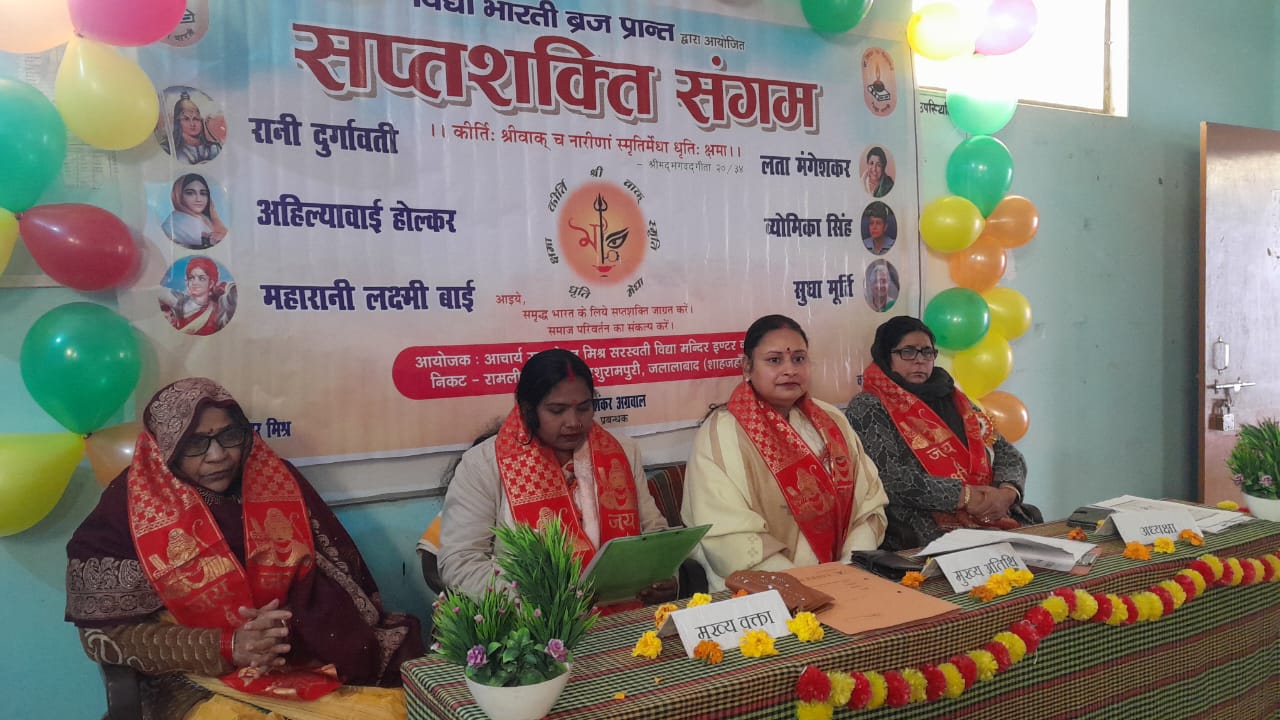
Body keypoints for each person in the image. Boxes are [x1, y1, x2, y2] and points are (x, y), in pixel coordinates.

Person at [64, 378, 424, 719]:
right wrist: (228, 645)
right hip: (192, 678)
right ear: (164, 447)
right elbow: (102, 638)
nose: (218, 455)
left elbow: (337, 579)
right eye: (194, 443)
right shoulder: (128, 508)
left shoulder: (276, 481)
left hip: (300, 655)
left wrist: (286, 627)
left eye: (229, 435)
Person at [437, 349, 675, 605]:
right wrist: (537, 601)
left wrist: (667, 576)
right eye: (557, 410)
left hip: (624, 612)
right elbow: (460, 561)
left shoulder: (622, 453)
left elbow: (655, 532)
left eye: (583, 408)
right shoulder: (483, 465)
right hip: (529, 620)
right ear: (528, 410)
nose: (573, 422)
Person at [682, 315, 888, 587]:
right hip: (763, 590)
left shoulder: (832, 420)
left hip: (847, 579)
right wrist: (802, 586)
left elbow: (868, 503)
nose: (790, 370)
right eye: (774, 360)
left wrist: (850, 567)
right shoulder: (722, 433)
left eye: (799, 359)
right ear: (747, 367)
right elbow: (727, 534)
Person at [845, 317, 1042, 551]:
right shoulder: (869, 405)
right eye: (908, 352)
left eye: (927, 352)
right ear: (886, 356)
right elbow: (889, 477)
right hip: (922, 518)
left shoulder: (954, 398)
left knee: (1036, 540)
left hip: (991, 510)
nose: (920, 360)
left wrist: (1005, 494)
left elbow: (1006, 451)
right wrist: (966, 497)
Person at [159, 257, 237, 336]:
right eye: (191, 278)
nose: (194, 283)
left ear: (211, 283)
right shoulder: (178, 301)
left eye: (201, 279)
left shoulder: (218, 311)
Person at [163, 173, 228, 249]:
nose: (198, 199)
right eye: (190, 193)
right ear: (178, 195)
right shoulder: (173, 225)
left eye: (203, 193)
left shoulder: (205, 218)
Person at [172, 91, 223, 165]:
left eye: (195, 118)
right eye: (186, 119)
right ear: (178, 122)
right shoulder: (176, 153)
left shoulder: (214, 149)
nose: (192, 124)